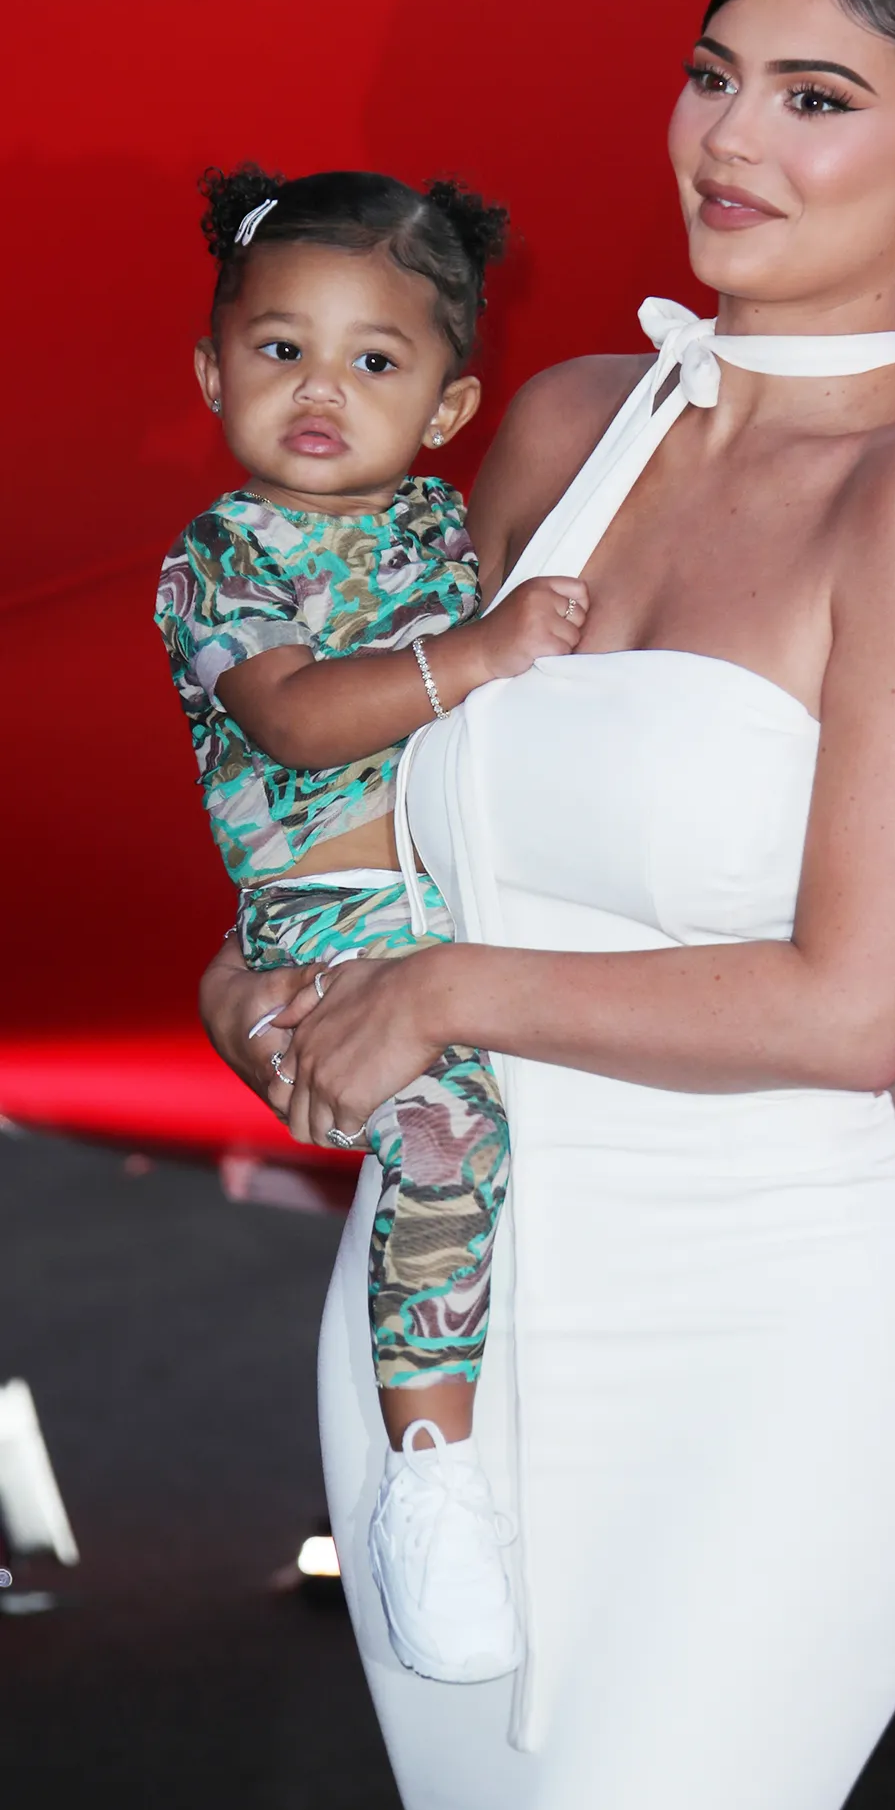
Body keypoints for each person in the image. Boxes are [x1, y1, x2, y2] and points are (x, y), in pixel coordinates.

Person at [199, 0, 895, 1810]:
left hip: (764, 1347)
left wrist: (443, 991)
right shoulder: (559, 429)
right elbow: (359, 817)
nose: (730, 139)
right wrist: (263, 982)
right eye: (711, 74)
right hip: (436, 1349)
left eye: (816, 100)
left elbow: (850, 1008)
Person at [157, 165, 593, 1685]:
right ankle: (430, 1474)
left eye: (375, 359)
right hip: (331, 931)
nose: (321, 390)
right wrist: (472, 657)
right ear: (212, 372)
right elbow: (291, 716)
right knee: (443, 1143)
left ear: (450, 405)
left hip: (463, 914)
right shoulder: (223, 558)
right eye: (281, 350)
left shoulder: (447, 530)